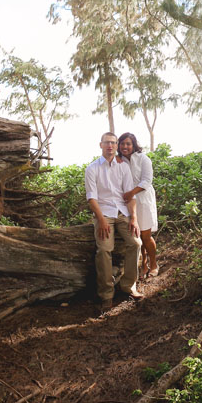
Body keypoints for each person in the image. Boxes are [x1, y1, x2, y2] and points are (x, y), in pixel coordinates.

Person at [85, 132, 144, 312]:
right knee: (104, 249)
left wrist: (133, 217)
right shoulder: (92, 168)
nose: (110, 146)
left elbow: (129, 196)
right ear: (100, 145)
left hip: (122, 213)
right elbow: (91, 198)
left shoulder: (123, 167)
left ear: (116, 145)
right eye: (106, 143)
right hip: (104, 214)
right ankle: (106, 294)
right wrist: (101, 219)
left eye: (113, 143)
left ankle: (128, 286)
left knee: (135, 243)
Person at [117, 133, 159, 278]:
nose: (125, 147)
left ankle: (154, 263)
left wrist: (131, 192)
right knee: (136, 234)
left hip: (144, 200)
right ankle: (144, 263)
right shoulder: (119, 161)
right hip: (128, 203)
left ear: (134, 145)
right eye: (122, 144)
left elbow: (147, 181)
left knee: (146, 235)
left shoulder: (143, 159)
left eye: (128, 144)